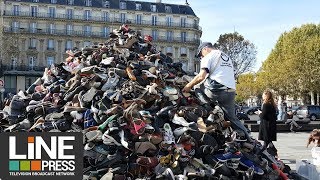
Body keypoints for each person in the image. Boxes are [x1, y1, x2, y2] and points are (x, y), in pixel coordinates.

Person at [182, 42, 251, 140]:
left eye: (201, 54)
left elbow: (201, 76)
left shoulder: (208, 56)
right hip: (230, 91)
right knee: (233, 118)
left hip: (217, 90)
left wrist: (188, 85)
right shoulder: (225, 56)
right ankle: (250, 140)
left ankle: (208, 108)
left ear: (205, 49)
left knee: (196, 85)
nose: (201, 57)